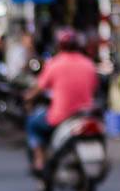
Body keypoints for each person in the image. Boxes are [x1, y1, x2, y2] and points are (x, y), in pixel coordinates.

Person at [26, 28, 98, 172]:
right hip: (86, 113)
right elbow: (94, 87)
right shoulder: (88, 64)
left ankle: (39, 158)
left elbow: (39, 88)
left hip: (62, 115)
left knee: (32, 123)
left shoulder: (55, 63)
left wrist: (28, 97)